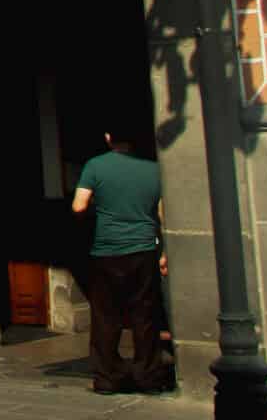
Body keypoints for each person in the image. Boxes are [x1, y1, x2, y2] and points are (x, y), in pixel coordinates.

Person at [71, 121, 168, 394]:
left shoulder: (95, 166)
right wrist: (165, 252)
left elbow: (79, 205)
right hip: (143, 248)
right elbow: (163, 215)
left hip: (107, 250)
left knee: (105, 316)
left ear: (108, 137)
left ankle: (107, 378)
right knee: (145, 315)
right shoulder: (153, 169)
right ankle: (148, 376)